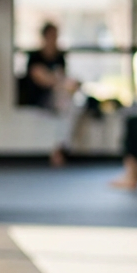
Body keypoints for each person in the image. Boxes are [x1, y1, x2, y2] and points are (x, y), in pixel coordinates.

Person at [20, 21, 82, 167]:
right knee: (67, 103)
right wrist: (60, 82)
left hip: (60, 98)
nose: (54, 38)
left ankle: (60, 147)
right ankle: (60, 149)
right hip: (41, 98)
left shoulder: (60, 57)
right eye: (51, 35)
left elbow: (63, 78)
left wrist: (68, 84)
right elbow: (42, 78)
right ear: (45, 36)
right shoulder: (35, 57)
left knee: (71, 106)